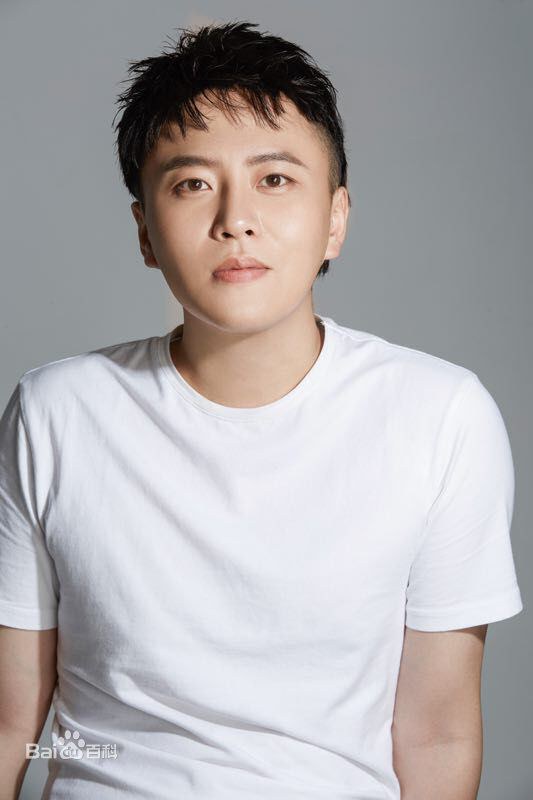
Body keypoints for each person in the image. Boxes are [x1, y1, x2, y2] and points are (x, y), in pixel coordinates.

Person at [0, 19, 523, 800]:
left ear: (335, 218)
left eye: (274, 179)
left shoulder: (439, 416)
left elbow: (437, 733)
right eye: (191, 184)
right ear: (144, 232)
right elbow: (12, 724)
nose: (234, 219)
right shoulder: (55, 413)